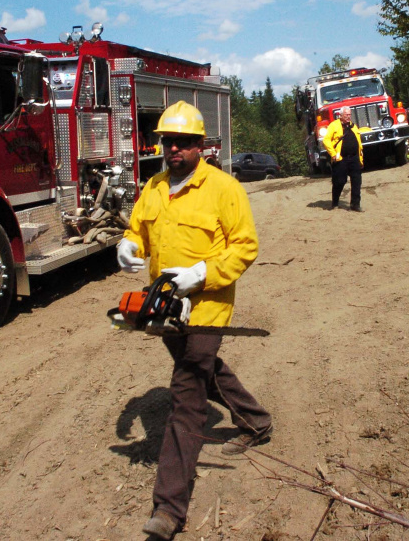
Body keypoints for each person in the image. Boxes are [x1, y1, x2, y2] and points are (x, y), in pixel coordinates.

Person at [115, 101, 273, 540]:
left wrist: (201, 274)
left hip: (208, 306)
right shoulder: (154, 187)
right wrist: (127, 246)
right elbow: (137, 232)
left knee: (186, 394)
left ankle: (168, 510)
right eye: (168, 141)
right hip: (164, 306)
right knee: (203, 368)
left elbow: (245, 247)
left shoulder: (224, 189)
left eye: (183, 142)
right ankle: (257, 421)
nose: (174, 149)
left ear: (201, 145)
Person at [323, 106, 364, 211]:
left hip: (354, 158)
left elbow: (359, 142)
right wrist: (332, 153)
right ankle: (335, 203)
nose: (348, 117)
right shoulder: (334, 125)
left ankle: (355, 205)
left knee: (357, 181)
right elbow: (326, 140)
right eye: (346, 115)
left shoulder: (353, 126)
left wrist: (360, 156)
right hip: (341, 159)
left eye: (350, 114)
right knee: (339, 181)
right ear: (340, 115)